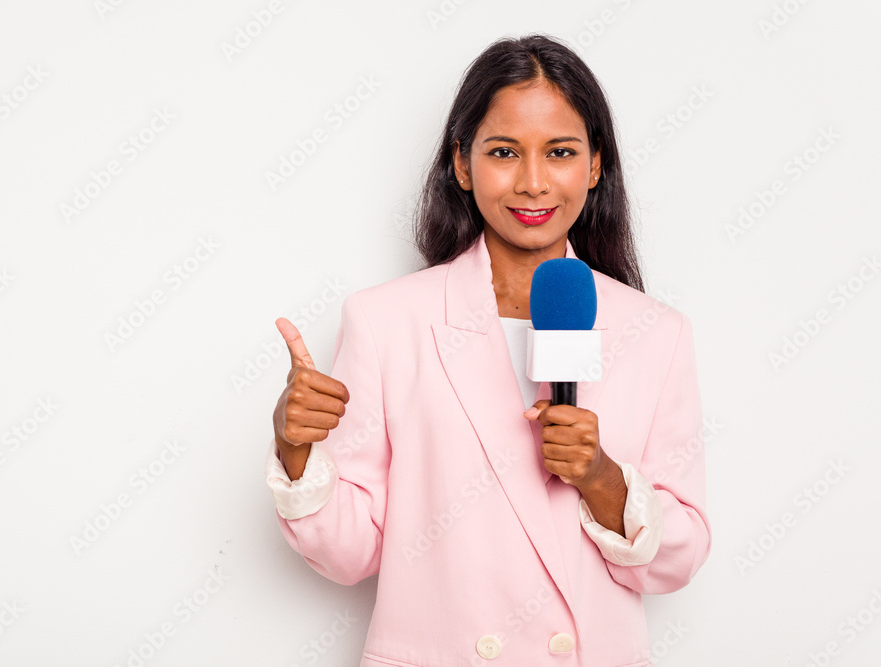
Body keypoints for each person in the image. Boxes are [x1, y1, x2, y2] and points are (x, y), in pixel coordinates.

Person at [265, 33, 711, 666]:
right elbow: (352, 552)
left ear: (594, 165)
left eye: (560, 152)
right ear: (463, 164)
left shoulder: (656, 334)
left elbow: (681, 557)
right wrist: (296, 448)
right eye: (504, 152)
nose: (533, 182)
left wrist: (602, 479)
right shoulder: (387, 321)